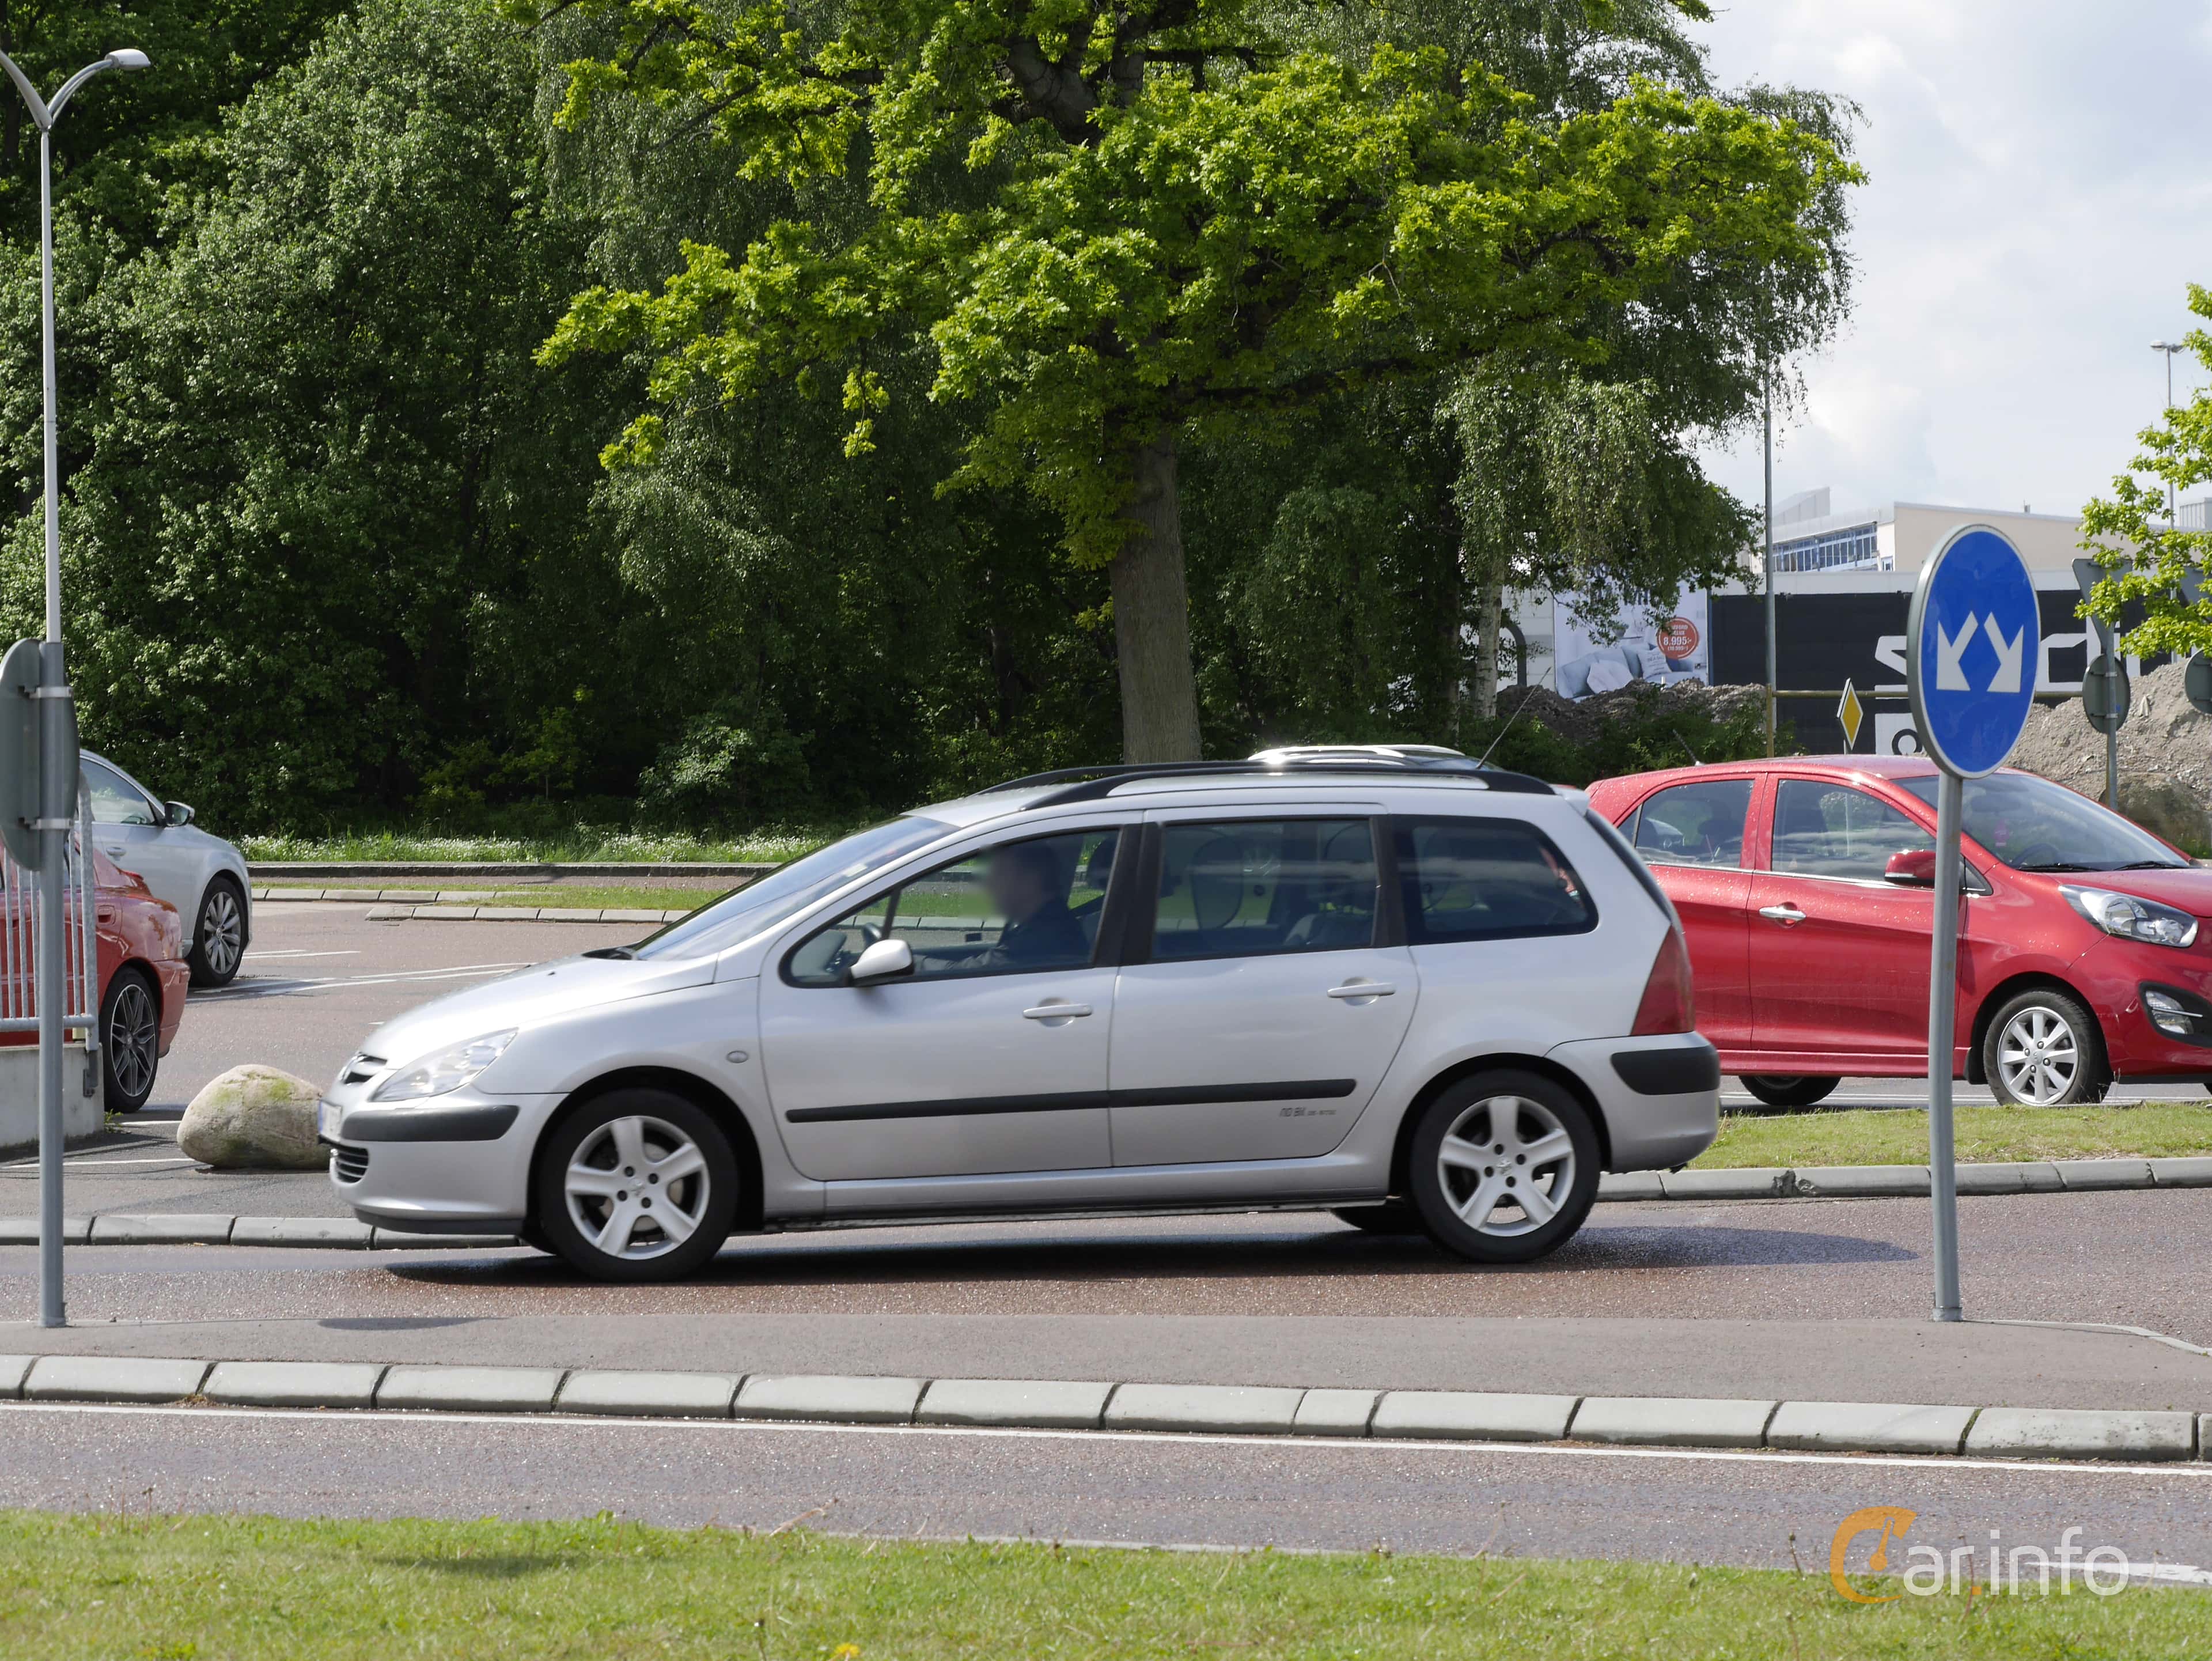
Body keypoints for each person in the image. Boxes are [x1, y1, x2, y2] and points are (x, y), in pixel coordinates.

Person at [980, 839, 1089, 968]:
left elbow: (980, 967)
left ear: (1030, 881)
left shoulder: (1044, 937)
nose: (989, 885)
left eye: (999, 875)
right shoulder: (1051, 923)